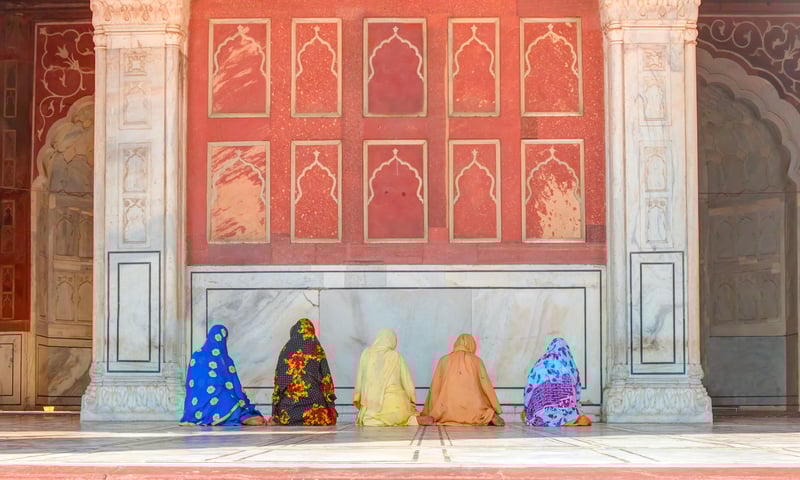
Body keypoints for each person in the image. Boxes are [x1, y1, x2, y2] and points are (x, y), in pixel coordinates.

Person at [180, 324, 265, 426]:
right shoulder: (207, 356)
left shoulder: (221, 359)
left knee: (229, 398)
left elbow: (233, 383)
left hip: (206, 400)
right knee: (229, 401)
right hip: (204, 400)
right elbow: (196, 382)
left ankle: (241, 415)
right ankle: (239, 416)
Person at [421, 333, 503, 426]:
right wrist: (496, 408)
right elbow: (486, 387)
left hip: (446, 410)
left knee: (441, 409)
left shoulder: (443, 360)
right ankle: (489, 416)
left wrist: (430, 411)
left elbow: (435, 388)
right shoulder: (477, 361)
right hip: (473, 410)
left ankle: (441, 413)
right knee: (482, 408)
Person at [271, 318, 337, 425]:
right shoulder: (316, 349)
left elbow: (278, 383)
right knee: (325, 415)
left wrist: (275, 410)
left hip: (288, 413)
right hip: (315, 414)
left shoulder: (285, 351)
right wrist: (331, 406)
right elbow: (327, 380)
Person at [354, 329, 424, 426]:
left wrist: (360, 402)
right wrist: (411, 403)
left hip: (370, 409)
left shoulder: (366, 354)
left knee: (369, 418)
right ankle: (410, 420)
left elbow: (360, 381)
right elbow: (408, 383)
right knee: (402, 413)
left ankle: (375, 418)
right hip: (397, 408)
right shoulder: (396, 356)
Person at [522, 337, 592, 427]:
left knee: (525, 413)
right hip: (566, 412)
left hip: (540, 413)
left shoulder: (540, 364)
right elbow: (577, 391)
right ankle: (563, 418)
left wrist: (529, 408)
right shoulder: (569, 365)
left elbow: (529, 387)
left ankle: (545, 417)